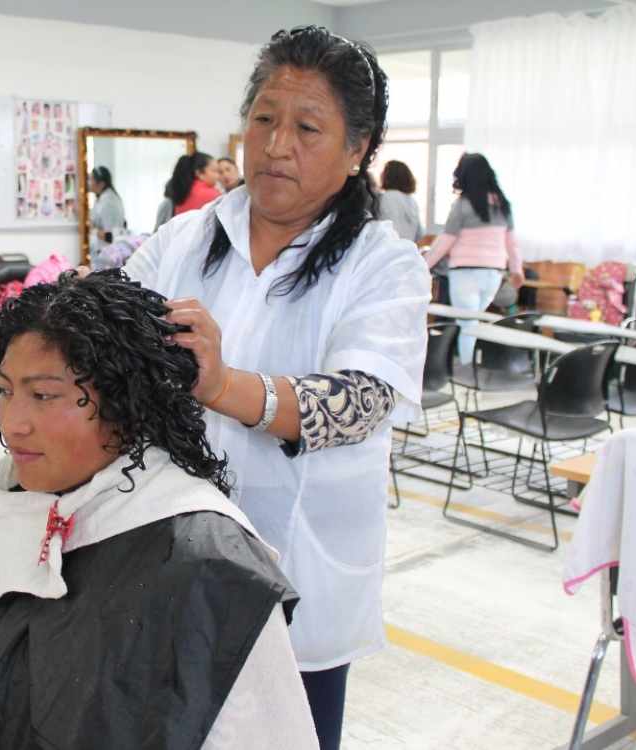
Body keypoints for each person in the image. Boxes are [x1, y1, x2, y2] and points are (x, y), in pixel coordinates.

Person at [124, 26, 429, 750]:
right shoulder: (186, 238)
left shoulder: (382, 265)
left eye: (306, 127)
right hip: (167, 562)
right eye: (263, 118)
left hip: (301, 571)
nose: (274, 144)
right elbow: (115, 330)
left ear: (357, 151)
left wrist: (227, 385)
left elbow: (358, 403)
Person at [0, 270, 319, 750]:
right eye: (6, 391)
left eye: (44, 395)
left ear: (127, 402)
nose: (12, 424)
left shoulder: (207, 562)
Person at [422, 152, 523, 362]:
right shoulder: (503, 205)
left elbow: (445, 242)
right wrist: (516, 270)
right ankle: (473, 366)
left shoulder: (462, 205)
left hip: (465, 274)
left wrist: (423, 266)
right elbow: (512, 243)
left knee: (467, 326)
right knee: (474, 324)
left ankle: (468, 371)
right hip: (493, 274)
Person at [376, 160, 423, 243]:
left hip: (388, 250)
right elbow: (419, 234)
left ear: (388, 177)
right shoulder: (412, 201)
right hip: (406, 250)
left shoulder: (385, 197)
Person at [87, 166, 126, 267]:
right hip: (102, 252)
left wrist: (92, 230)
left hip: (108, 254)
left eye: (91, 179)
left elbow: (110, 235)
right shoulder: (101, 199)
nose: (88, 182)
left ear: (101, 183)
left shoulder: (109, 202)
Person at [168, 152, 222, 216]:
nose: (218, 176)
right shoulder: (211, 194)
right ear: (199, 173)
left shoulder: (183, 192)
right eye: (214, 170)